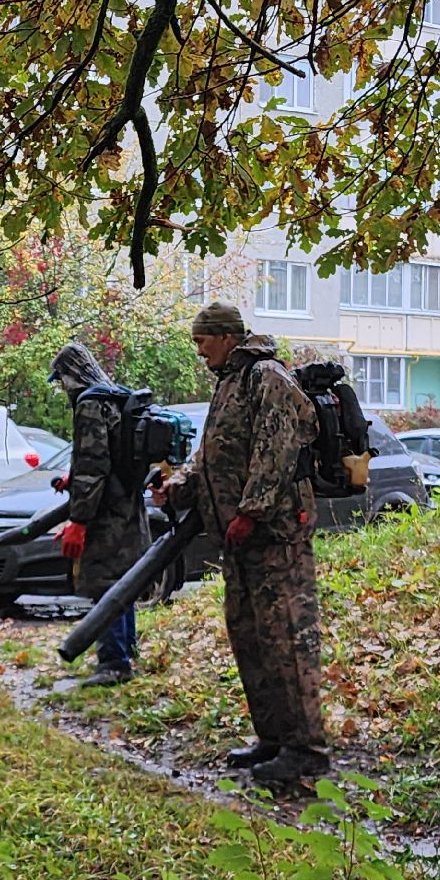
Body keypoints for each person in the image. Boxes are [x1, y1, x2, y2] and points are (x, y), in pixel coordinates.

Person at [155, 302, 329, 782]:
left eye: (202, 341)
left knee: (287, 640)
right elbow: (212, 455)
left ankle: (306, 751)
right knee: (250, 637)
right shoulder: (227, 385)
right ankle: (273, 738)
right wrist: (180, 484)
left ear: (226, 337)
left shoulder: (266, 376)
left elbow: (276, 448)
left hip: (275, 538)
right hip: (239, 543)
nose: (198, 351)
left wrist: (251, 511)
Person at [50, 343, 152, 686]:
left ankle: (114, 663)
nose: (61, 387)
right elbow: (106, 456)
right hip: (127, 503)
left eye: (60, 379)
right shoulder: (116, 397)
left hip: (105, 512)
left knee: (104, 581)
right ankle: (127, 650)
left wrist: (78, 521)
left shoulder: (89, 403)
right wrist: (72, 476)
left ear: (69, 374)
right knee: (120, 579)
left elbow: (94, 466)